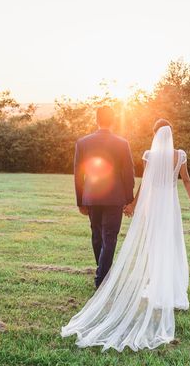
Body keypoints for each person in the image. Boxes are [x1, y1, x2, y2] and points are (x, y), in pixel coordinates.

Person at [62, 119, 190, 351]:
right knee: (171, 244)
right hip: (171, 206)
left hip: (155, 206)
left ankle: (154, 284)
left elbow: (145, 184)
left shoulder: (150, 155)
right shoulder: (180, 155)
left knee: (153, 244)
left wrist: (133, 205)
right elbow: (186, 180)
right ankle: (169, 288)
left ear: (156, 134)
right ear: (171, 134)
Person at [73, 105, 135, 288]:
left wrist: (80, 200)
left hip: (92, 196)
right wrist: (129, 199)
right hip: (115, 198)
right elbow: (128, 174)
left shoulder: (83, 142)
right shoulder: (122, 143)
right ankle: (102, 278)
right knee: (109, 237)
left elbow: (78, 174)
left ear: (96, 119)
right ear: (113, 120)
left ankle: (102, 274)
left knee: (97, 235)